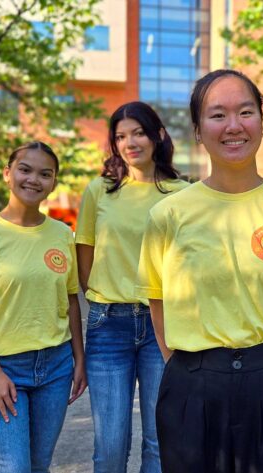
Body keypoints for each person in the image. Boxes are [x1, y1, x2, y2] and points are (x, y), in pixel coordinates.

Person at [136, 69, 263, 473]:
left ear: (261, 121)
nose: (234, 126)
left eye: (246, 112)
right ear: (199, 131)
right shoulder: (168, 214)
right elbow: (158, 298)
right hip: (191, 383)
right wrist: (184, 365)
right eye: (217, 115)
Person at [0, 141, 87, 473]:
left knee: (39, 465)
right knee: (13, 467)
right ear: (8, 174)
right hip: (3, 367)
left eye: (45, 174)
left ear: (53, 184)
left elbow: (70, 302)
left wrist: (79, 358)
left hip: (55, 367)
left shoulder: (62, 235)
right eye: (25, 169)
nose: (33, 179)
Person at [75, 101, 188, 473]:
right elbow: (85, 257)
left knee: (159, 440)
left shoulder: (182, 194)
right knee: (110, 444)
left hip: (163, 326)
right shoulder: (99, 191)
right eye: (120, 136)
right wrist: (108, 291)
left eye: (138, 132)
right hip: (109, 325)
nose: (130, 142)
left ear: (158, 135)